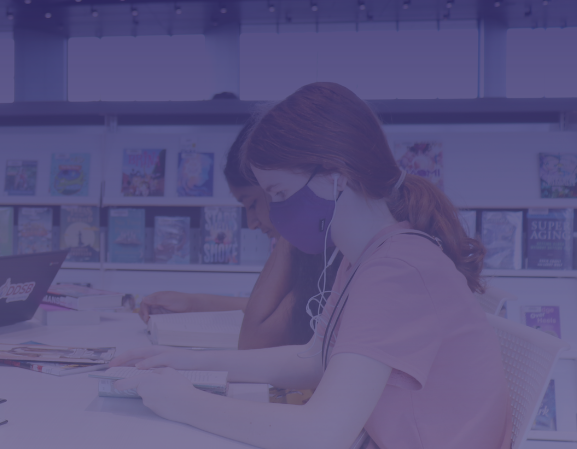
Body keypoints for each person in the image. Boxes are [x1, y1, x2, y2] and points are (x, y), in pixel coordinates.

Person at [111, 82, 509, 449]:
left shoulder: (397, 270)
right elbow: (315, 358)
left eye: (279, 193)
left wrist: (182, 403)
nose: (275, 213)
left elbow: (321, 433)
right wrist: (185, 362)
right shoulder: (369, 255)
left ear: (335, 178)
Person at [139, 122, 341, 349]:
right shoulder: (318, 246)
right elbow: (278, 309)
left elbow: (255, 337)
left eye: (254, 203)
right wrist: (193, 302)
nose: (251, 223)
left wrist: (288, 231)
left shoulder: (335, 250)